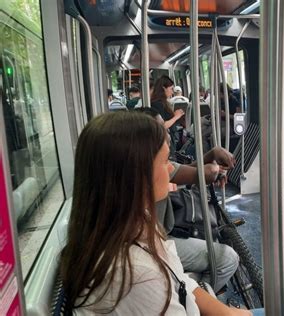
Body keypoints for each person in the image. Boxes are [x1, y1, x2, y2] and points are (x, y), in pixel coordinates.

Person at [59, 112, 252, 315]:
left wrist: (227, 313)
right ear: (135, 177)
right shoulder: (137, 276)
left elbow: (179, 278)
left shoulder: (133, 226)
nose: (170, 169)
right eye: (165, 161)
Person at [137, 107, 240, 291]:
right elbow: (197, 174)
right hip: (157, 242)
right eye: (161, 130)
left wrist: (211, 155)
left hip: (159, 237)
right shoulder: (138, 257)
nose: (170, 171)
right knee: (227, 258)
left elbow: (188, 172)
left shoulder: (153, 164)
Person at [150, 75, 185, 156]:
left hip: (169, 139)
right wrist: (176, 116)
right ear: (163, 88)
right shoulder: (157, 104)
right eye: (171, 89)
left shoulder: (164, 103)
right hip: (164, 141)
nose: (172, 92)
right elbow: (162, 125)